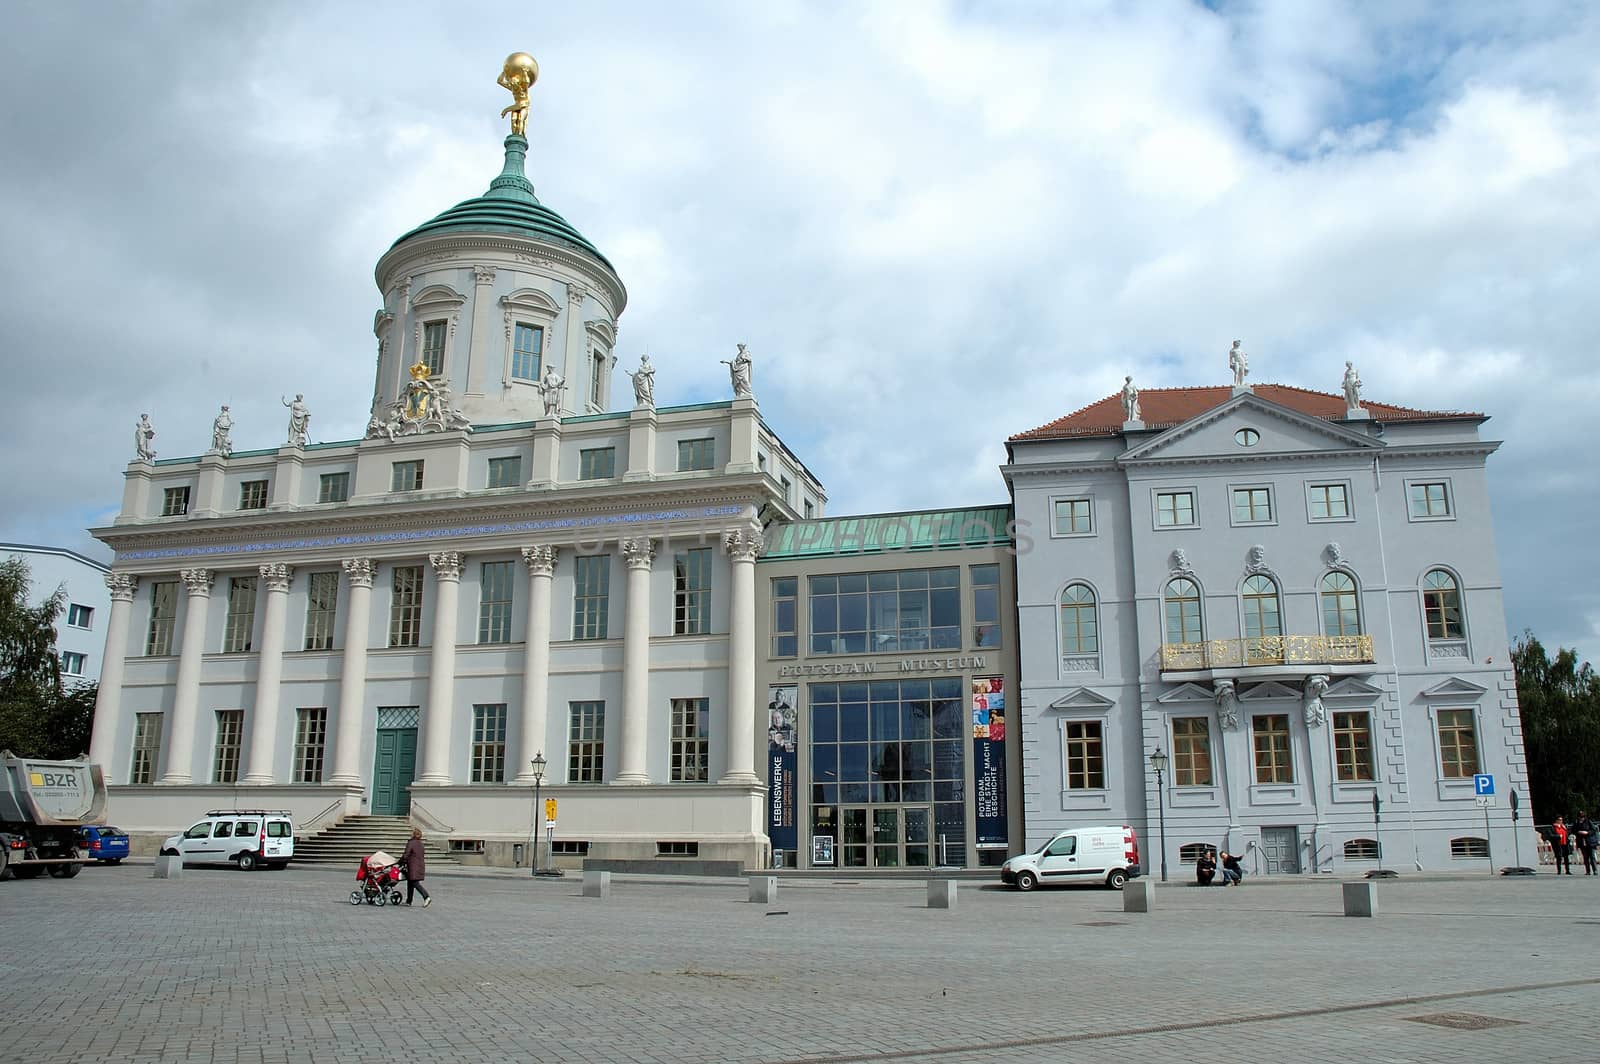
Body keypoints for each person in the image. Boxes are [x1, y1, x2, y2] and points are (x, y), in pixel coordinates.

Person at [401, 827, 431, 906]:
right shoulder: (421, 844)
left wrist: (400, 861)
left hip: (413, 866)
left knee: (415, 883)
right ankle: (409, 901)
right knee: (410, 882)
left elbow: (406, 854)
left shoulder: (411, 843)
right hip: (419, 865)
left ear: (414, 834)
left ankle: (426, 897)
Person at [1575, 812, 1598, 876]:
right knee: (1585, 857)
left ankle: (1595, 870)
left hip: (1590, 842)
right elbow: (1573, 830)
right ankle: (1588, 871)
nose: (1581, 818)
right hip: (1582, 842)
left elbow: (1594, 830)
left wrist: (1587, 832)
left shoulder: (1588, 822)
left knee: (1592, 856)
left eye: (1582, 817)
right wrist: (1578, 832)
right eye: (1580, 817)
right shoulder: (1577, 823)